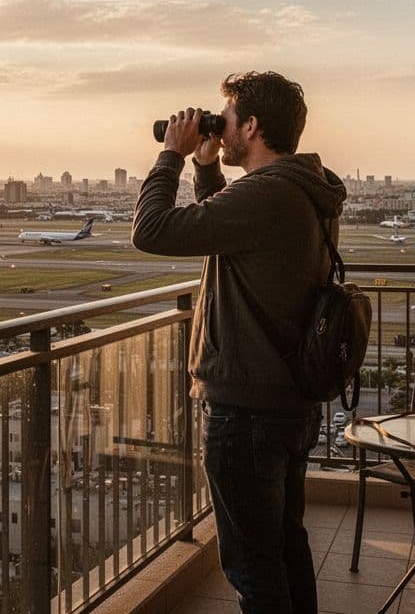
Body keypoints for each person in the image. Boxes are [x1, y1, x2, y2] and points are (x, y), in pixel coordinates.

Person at [131, 71, 346, 614]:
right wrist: (207, 167)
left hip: (247, 412)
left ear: (251, 125)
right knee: (284, 548)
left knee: (254, 568)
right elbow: (231, 235)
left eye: (225, 119)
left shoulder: (268, 194)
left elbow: (151, 230)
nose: (218, 128)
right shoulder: (300, 189)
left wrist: (171, 156)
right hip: (286, 403)